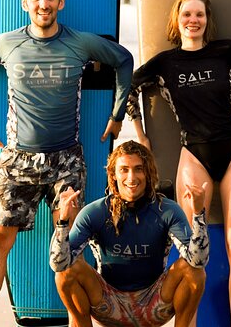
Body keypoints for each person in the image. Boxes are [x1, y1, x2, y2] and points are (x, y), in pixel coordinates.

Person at [0, 0, 134, 327]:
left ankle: (78, 322)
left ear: (61, 3)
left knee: (70, 241)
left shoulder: (80, 43)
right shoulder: (6, 44)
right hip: (18, 160)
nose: (43, 4)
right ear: (25, 3)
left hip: (66, 161)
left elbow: (123, 61)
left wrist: (117, 115)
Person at [126, 0, 231, 326]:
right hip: (194, 155)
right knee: (192, 251)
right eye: (187, 15)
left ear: (207, 20)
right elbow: (128, 88)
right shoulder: (166, 63)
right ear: (177, 19)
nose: (193, 21)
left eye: (199, 15)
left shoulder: (225, 51)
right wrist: (140, 133)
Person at [50, 140, 208, 327]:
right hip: (108, 304)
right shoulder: (95, 212)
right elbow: (58, 264)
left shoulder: (167, 210)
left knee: (194, 272)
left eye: (138, 169)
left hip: (154, 305)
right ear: (113, 175)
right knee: (67, 273)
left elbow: (198, 261)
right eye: (124, 169)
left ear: (148, 173)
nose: (131, 178)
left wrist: (198, 214)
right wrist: (63, 222)